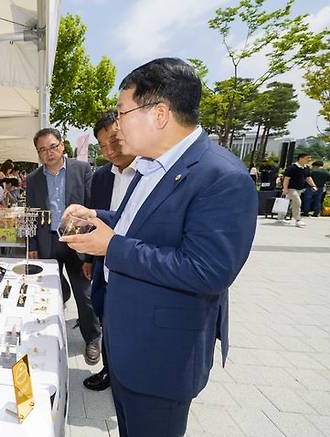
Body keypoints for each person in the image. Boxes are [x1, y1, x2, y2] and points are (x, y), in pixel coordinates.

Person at [59, 58, 257, 437]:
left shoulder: (221, 176)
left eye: (122, 113)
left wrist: (111, 247)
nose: (116, 126)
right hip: (128, 341)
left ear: (160, 113)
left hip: (161, 354)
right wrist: (96, 215)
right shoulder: (152, 165)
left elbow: (207, 270)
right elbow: (139, 222)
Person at [26, 127, 101, 365]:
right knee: (48, 291)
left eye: (52, 146)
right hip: (48, 242)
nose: (48, 153)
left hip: (78, 241)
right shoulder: (34, 178)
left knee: (84, 294)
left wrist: (90, 255)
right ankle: (48, 336)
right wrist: (33, 244)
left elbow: (92, 209)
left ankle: (92, 337)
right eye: (42, 150)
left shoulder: (82, 170)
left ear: (62, 145)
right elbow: (31, 214)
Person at [81, 111, 137, 392]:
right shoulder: (101, 176)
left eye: (115, 141)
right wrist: (91, 259)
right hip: (104, 264)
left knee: (132, 327)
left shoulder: (150, 173)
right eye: (102, 146)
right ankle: (108, 369)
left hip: (138, 266)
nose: (110, 151)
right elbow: (97, 223)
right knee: (105, 318)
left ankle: (129, 377)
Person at [277, 152, 317, 227]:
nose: (309, 160)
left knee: (285, 203)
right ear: (301, 158)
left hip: (300, 189)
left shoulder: (306, 168)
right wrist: (285, 188)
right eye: (308, 158)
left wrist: (313, 185)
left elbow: (308, 178)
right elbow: (286, 179)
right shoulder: (292, 167)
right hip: (291, 189)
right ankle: (298, 219)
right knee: (297, 202)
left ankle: (280, 218)